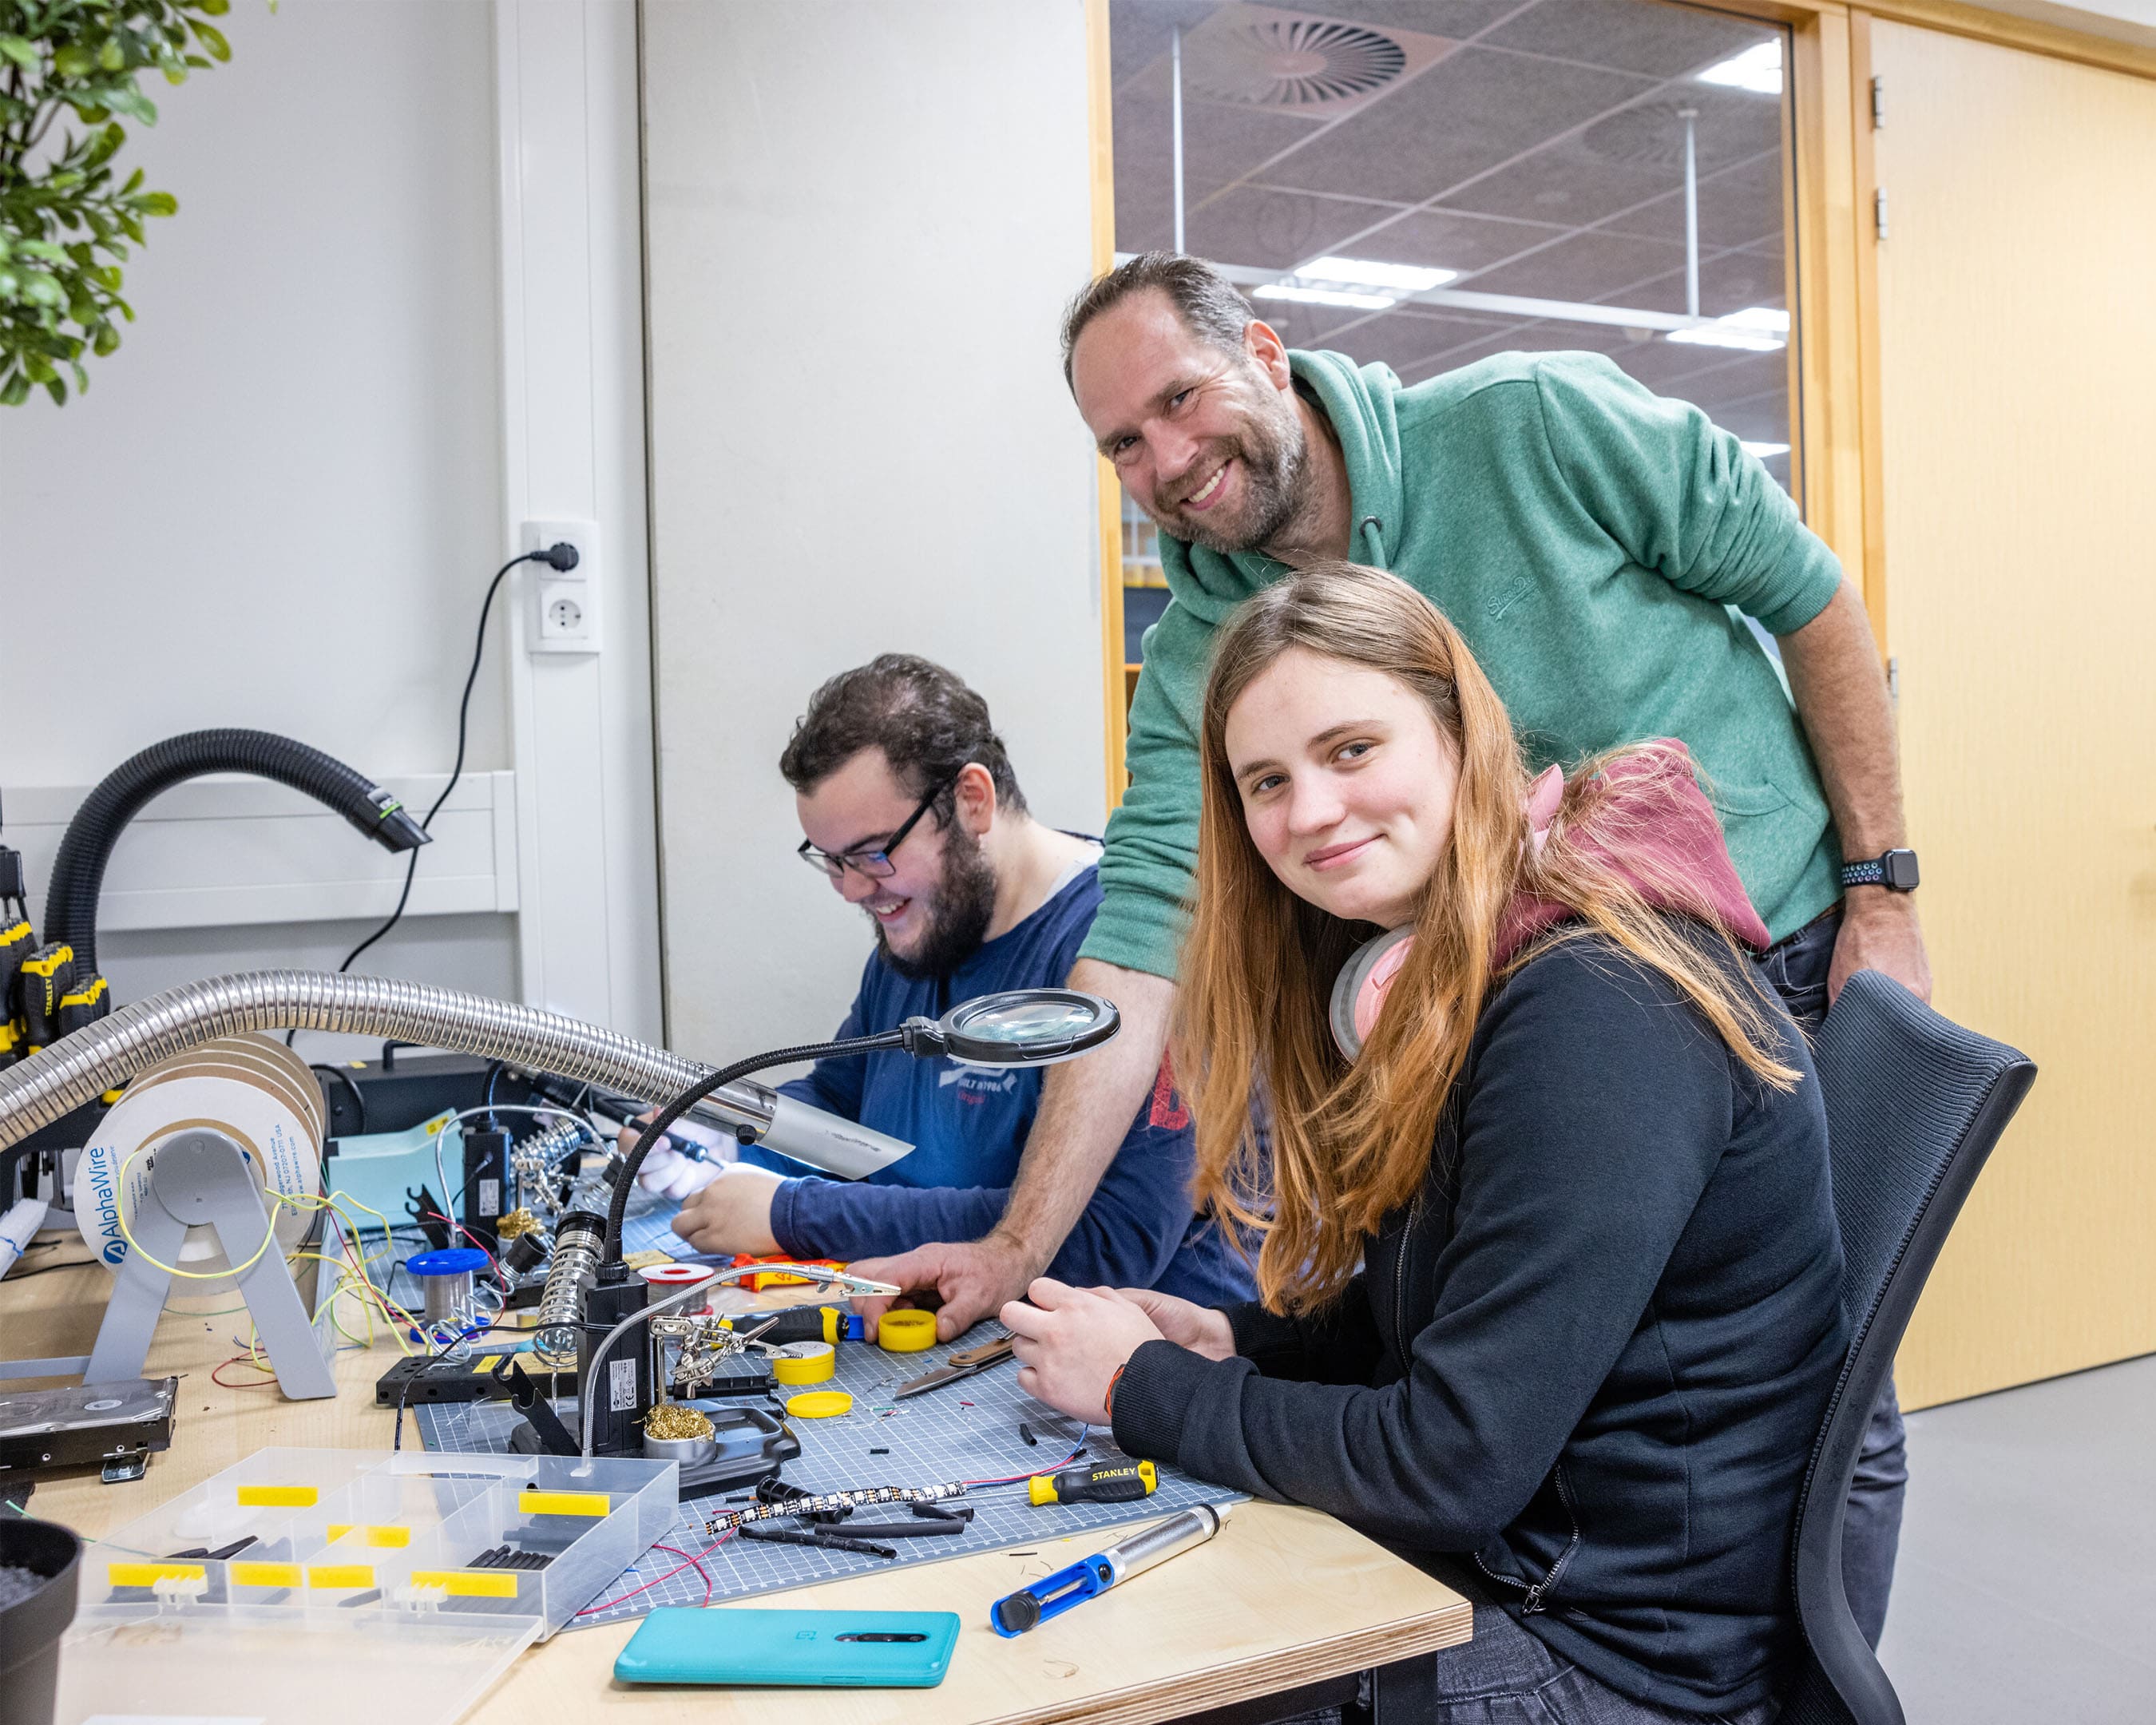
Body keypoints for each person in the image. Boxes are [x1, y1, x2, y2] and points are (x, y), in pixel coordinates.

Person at [854, 252, 1917, 1642]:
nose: (1167, 458)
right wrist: (1017, 1249)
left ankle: (1775, 1665)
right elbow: (1140, 942)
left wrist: (1883, 890)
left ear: (1271, 357)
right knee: (1553, 1371)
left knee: (1815, 1390)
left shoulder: (1535, 424)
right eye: (1123, 441)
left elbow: (1808, 596)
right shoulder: (1204, 654)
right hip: (1507, 1006)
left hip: (1740, 956)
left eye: (1182, 397)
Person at [1005, 565, 1846, 1722]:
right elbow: (1458, 1310)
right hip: (1515, 1578)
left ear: (1462, 737)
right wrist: (1235, 1341)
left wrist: (1144, 1388)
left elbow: (1452, 1463)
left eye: (1352, 751)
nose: (1307, 814)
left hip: (1608, 1658)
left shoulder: (1594, 1011)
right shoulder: (1479, 971)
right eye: (1267, 782)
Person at [632, 653, 1250, 1305]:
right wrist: (730, 1131)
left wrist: (797, 1214)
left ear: (972, 801)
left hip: (1134, 1344)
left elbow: (1110, 1241)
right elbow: (843, 1100)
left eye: (873, 853)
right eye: (833, 861)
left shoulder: (1132, 954)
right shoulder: (928, 925)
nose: (851, 890)